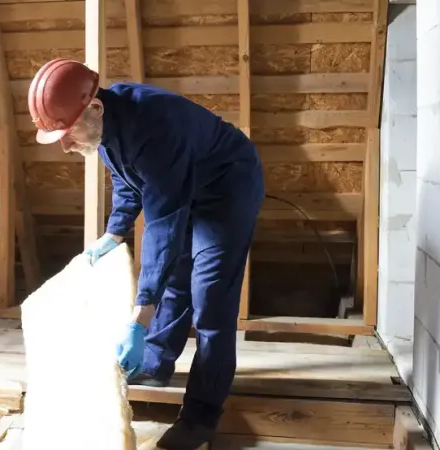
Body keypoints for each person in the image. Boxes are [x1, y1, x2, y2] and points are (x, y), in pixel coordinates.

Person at [26, 58, 265, 449]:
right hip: (185, 183)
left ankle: (201, 416)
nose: (66, 146)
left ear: (94, 107)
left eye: (67, 134)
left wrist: (140, 316)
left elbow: (164, 224)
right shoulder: (103, 128)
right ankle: (156, 364)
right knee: (174, 279)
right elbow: (128, 182)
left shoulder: (154, 128)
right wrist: (114, 233)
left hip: (227, 188)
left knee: (210, 299)